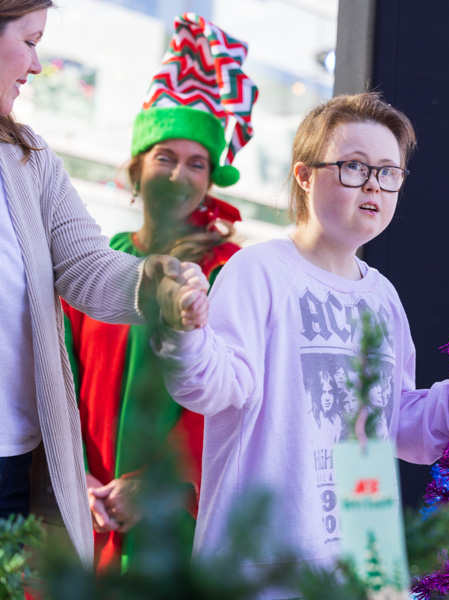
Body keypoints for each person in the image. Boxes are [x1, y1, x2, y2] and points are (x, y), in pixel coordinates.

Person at [152, 92, 449, 598]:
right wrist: (185, 332)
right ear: (305, 176)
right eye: (354, 167)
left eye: (388, 172)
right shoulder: (259, 270)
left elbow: (397, 423)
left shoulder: (383, 298)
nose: (373, 185)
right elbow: (212, 388)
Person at [0, 0, 205, 566]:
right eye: (31, 39)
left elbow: (86, 267)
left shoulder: (29, 159)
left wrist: (160, 283)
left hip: (15, 466)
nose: (37, 64)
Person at [61, 13, 257, 574]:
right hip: (85, 510)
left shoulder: (230, 269)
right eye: (165, 157)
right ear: (136, 169)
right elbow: (60, 374)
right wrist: (78, 478)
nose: (179, 175)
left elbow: (233, 392)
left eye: (197, 163)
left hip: (181, 520)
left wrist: (156, 483)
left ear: (210, 179)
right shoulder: (97, 263)